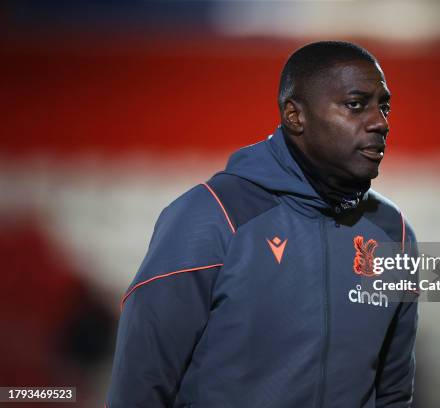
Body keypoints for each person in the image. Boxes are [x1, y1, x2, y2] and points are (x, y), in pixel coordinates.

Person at [106, 40, 418, 408]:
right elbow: (140, 387)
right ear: (295, 116)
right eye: (355, 105)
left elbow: (394, 394)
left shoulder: (393, 233)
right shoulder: (211, 215)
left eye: (384, 107)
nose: (380, 122)